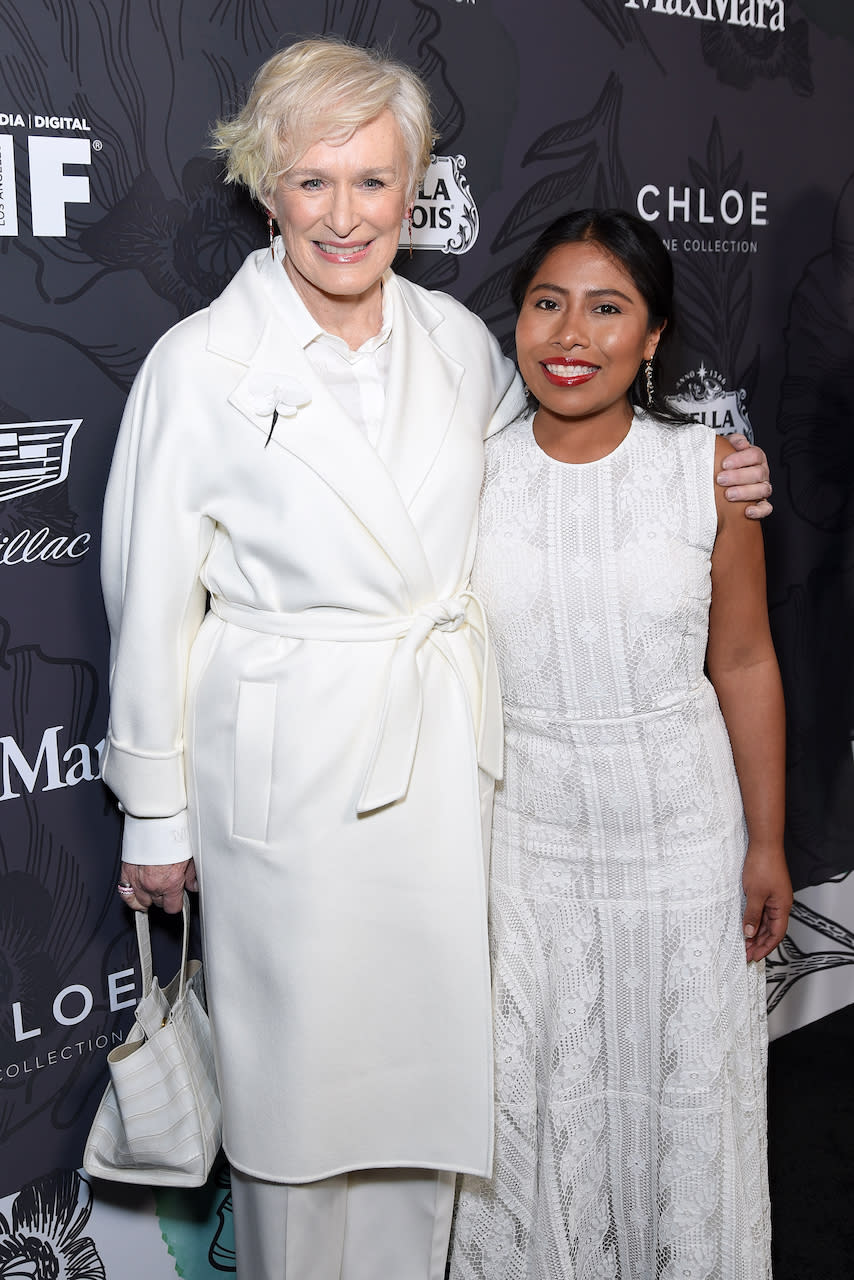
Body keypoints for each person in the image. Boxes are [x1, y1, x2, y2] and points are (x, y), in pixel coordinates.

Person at [99, 38, 772, 1280]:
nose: (343, 214)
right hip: (286, 774)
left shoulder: (462, 347)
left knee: (424, 1112)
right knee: (296, 1107)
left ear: (414, 195)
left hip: (442, 780)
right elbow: (147, 597)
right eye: (313, 181)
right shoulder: (198, 364)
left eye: (372, 181)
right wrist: (155, 809)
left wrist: (719, 466)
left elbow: (575, 466)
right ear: (266, 190)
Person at [448, 210, 791, 1280]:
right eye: (548, 301)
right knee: (538, 1112)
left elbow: (741, 662)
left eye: (608, 307)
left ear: (652, 339)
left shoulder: (709, 473)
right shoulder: (463, 477)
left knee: (683, 1105)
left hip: (682, 845)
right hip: (524, 852)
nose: (571, 331)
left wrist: (767, 843)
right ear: (515, 320)